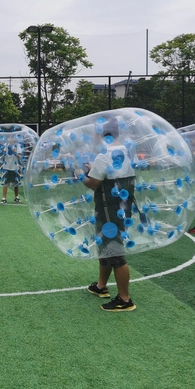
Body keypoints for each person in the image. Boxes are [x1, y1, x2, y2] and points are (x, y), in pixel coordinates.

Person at [79, 117, 137, 312]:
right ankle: (101, 286)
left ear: (104, 134)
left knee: (115, 251)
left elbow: (94, 183)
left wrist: (81, 175)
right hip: (122, 207)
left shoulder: (104, 155)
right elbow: (113, 175)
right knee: (106, 246)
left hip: (108, 209)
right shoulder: (126, 151)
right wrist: (92, 170)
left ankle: (125, 299)